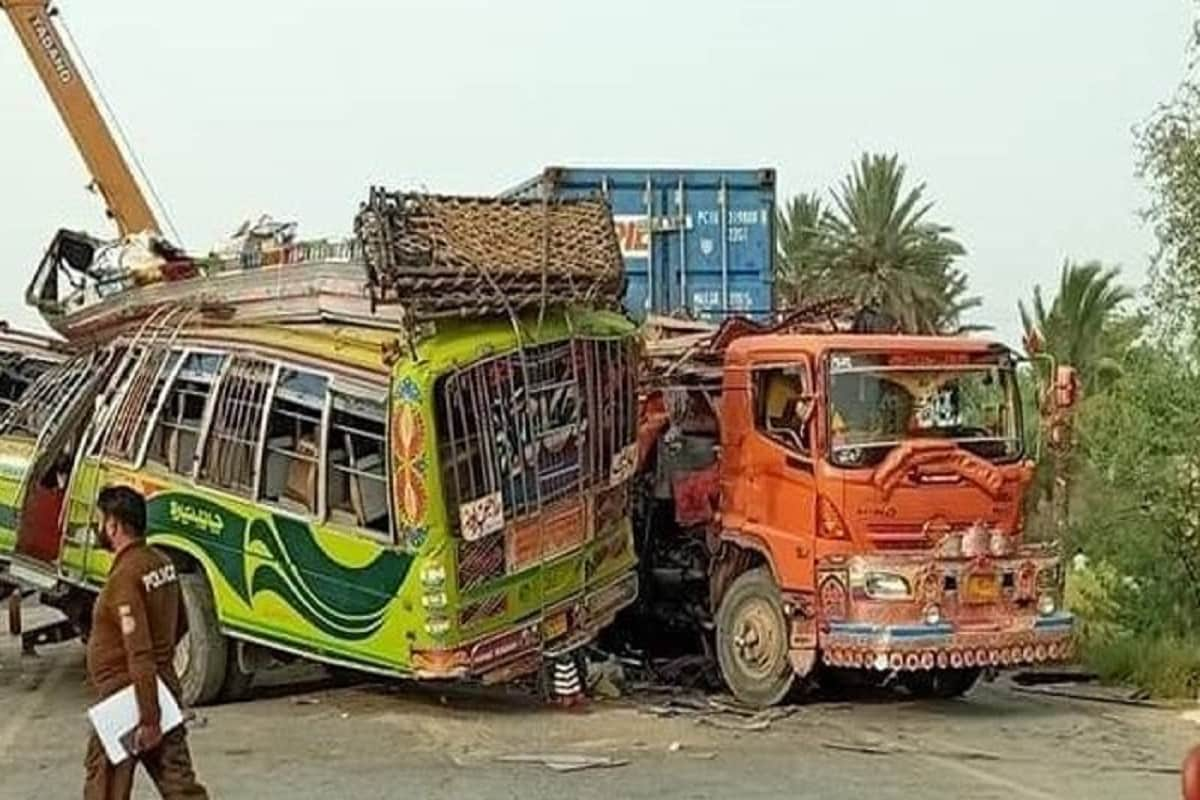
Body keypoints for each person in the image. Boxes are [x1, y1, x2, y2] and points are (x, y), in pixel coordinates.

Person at [83, 485, 208, 800]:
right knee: (180, 785)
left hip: (128, 702)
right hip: (160, 690)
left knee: (105, 787)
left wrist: (148, 717)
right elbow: (180, 622)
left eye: (102, 521)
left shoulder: (125, 578)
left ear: (114, 524)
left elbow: (139, 650)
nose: (100, 528)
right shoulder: (161, 562)